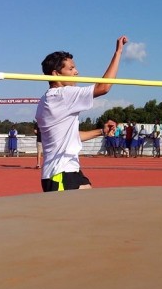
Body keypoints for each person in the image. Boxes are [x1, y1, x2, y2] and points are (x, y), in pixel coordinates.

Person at [35, 35, 127, 192]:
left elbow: (71, 136)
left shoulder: (48, 99)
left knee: (89, 204)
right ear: (56, 74)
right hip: (60, 173)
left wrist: (101, 131)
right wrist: (118, 53)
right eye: (70, 69)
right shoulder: (62, 95)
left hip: (69, 170)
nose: (76, 72)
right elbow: (103, 88)